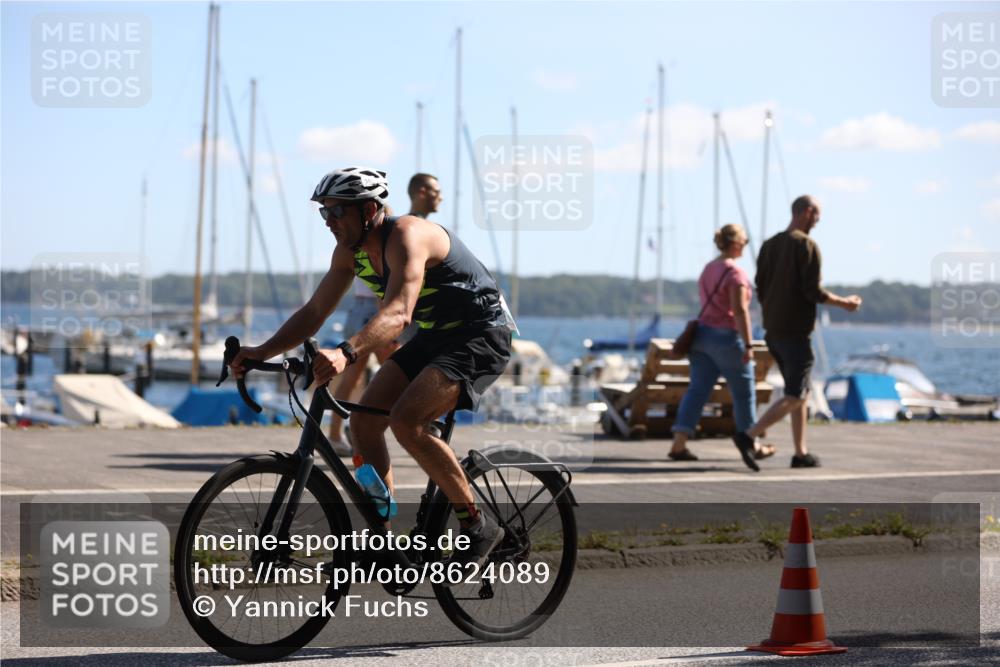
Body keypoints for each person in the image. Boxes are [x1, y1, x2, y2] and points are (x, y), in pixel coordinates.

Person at [232, 167, 514, 566]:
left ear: (368, 210)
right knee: (362, 424)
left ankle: (478, 523)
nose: (329, 222)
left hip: (481, 334)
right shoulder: (349, 252)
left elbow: (399, 314)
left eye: (336, 212)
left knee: (406, 421)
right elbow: (314, 311)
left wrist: (345, 352)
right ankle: (382, 540)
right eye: (323, 213)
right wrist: (261, 351)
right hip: (436, 335)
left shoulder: (407, 236)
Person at [732, 195, 862, 468]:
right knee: (794, 395)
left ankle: (800, 453)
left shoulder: (768, 246)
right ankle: (748, 436)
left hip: (773, 332)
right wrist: (845, 304)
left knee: (800, 393)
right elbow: (812, 292)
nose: (818, 220)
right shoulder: (807, 246)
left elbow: (761, 287)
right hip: (795, 332)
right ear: (807, 212)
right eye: (817, 215)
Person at [327, 174, 443, 454]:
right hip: (376, 309)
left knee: (355, 376)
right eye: (436, 191)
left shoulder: (389, 232)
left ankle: (337, 434)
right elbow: (390, 292)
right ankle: (423, 423)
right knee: (400, 372)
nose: (441, 196)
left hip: (360, 307)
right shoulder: (406, 230)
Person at [668, 224, 774, 471]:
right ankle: (751, 442)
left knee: (697, 391)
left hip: (702, 336)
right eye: (745, 243)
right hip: (726, 337)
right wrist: (748, 344)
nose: (746, 248)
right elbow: (739, 311)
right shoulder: (735, 274)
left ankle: (679, 443)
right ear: (735, 244)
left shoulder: (708, 269)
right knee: (743, 392)